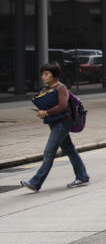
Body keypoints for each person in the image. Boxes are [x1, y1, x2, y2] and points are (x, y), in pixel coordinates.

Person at [20, 62, 90, 193]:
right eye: (42, 74)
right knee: (70, 150)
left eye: (46, 74)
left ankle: (36, 182)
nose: (43, 77)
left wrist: (46, 112)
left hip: (63, 123)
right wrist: (42, 112)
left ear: (55, 75)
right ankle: (82, 176)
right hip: (55, 122)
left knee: (49, 153)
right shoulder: (46, 89)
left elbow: (62, 106)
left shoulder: (61, 88)